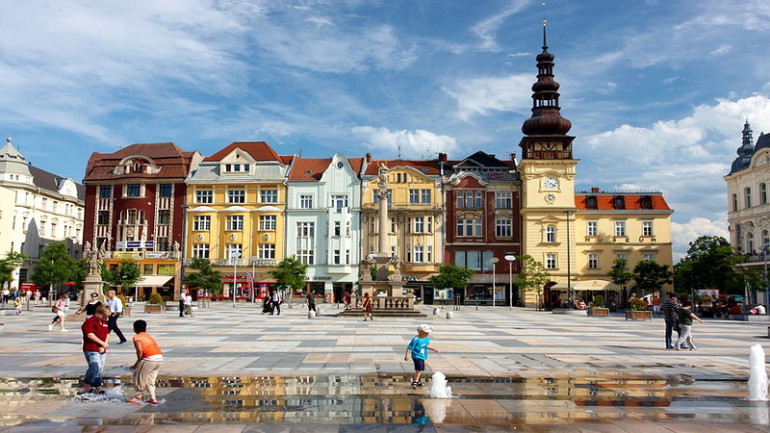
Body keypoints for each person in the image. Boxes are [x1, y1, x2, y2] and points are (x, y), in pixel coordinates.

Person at [126, 320, 163, 405]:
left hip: (149, 359)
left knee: (138, 377)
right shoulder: (148, 336)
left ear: (134, 328)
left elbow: (139, 350)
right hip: (159, 358)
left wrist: (138, 362)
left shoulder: (137, 337)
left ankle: (138, 397)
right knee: (150, 380)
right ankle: (153, 398)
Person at [78, 305, 111, 395]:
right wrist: (102, 343)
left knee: (97, 368)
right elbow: (90, 334)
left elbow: (107, 333)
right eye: (103, 316)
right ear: (98, 313)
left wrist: (104, 345)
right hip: (91, 348)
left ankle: (86, 387)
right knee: (95, 367)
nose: (105, 318)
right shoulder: (90, 321)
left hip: (102, 349)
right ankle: (98, 387)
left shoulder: (103, 322)